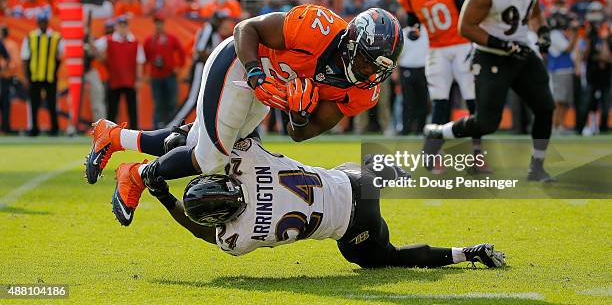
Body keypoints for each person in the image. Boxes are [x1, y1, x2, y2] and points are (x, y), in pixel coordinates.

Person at [85, 5, 403, 227]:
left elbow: (300, 133)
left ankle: (112, 136)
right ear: (351, 45)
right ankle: (135, 176)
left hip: (266, 92)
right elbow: (246, 29)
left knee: (197, 141)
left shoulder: (363, 91)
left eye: (380, 68)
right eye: (368, 62)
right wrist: (255, 74)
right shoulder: (317, 27)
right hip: (240, 64)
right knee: (212, 159)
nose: (371, 73)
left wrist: (301, 114)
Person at [111, 133, 505, 269]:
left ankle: (466, 252)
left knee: (382, 259)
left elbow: (201, 232)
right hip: (354, 179)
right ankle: (411, 160)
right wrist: (160, 172)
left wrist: (162, 198)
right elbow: (209, 145)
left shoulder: (241, 235)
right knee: (362, 170)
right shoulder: (247, 161)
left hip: (355, 228)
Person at [424, 0, 555, 182]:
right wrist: (502, 45)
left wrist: (543, 32)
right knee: (486, 123)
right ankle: (439, 132)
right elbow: (466, 26)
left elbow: (534, 11)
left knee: (545, 106)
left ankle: (537, 167)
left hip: (520, 51)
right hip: (491, 56)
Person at [397, 0, 485, 174]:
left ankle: (478, 154)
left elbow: (467, 11)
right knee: (439, 103)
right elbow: (412, 18)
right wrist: (415, 28)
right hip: (436, 50)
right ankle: (432, 155)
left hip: (462, 45)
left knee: (473, 100)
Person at [167, 11, 227, 128]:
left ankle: (206, 126)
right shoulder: (209, 29)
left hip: (205, 67)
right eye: (218, 20)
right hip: (201, 66)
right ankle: (173, 124)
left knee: (204, 99)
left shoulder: (213, 31)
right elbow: (200, 50)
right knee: (193, 98)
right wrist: (213, 61)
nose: (220, 23)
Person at [94, 15, 145, 129]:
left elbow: (139, 62)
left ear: (128, 27)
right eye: (120, 26)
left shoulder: (135, 42)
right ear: (116, 27)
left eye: (124, 26)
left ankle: (134, 131)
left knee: (132, 108)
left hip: (130, 80)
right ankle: (109, 132)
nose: (122, 28)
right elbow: (95, 49)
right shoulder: (109, 39)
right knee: (112, 108)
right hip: (114, 79)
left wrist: (138, 80)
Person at [21, 12, 63, 136]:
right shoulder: (30, 37)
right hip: (34, 76)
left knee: (52, 103)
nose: (43, 24)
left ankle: (54, 129)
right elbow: (25, 58)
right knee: (34, 104)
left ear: (47, 23)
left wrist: (54, 71)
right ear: (37, 23)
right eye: (40, 22)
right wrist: (26, 77)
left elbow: (59, 56)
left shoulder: (56, 37)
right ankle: (34, 129)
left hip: (50, 76)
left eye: (44, 22)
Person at [144, 15, 185, 129]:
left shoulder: (171, 38)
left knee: (172, 103)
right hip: (155, 77)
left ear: (163, 24)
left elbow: (182, 52)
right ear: (154, 24)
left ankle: (172, 127)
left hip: (169, 75)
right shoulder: (149, 40)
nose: (158, 25)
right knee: (158, 104)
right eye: (156, 23)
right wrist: (146, 73)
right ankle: (157, 129)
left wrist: (179, 67)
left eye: (160, 23)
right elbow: (145, 59)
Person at [580, 2, 610, 135]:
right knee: (587, 102)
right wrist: (587, 37)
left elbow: (607, 57)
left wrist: (604, 39)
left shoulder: (607, 33)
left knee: (605, 103)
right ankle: (581, 128)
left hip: (606, 74)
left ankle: (603, 128)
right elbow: (584, 56)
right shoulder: (588, 32)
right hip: (592, 73)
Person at [547, 9, 578, 135]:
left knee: (565, 101)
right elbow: (567, 48)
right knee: (559, 100)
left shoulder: (559, 33)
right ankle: (555, 126)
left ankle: (560, 125)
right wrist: (575, 35)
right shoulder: (554, 34)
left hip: (565, 69)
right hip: (559, 70)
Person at [398, 25, 429, 135]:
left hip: (423, 69)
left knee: (423, 101)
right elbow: (399, 53)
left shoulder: (427, 31)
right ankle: (406, 128)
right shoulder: (404, 32)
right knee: (407, 101)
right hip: (407, 69)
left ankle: (420, 128)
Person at [0, 25, 19, 133]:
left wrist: (5, 67)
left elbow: (15, 62)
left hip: (6, 78)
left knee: (5, 103)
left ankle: (5, 128)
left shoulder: (11, 45)